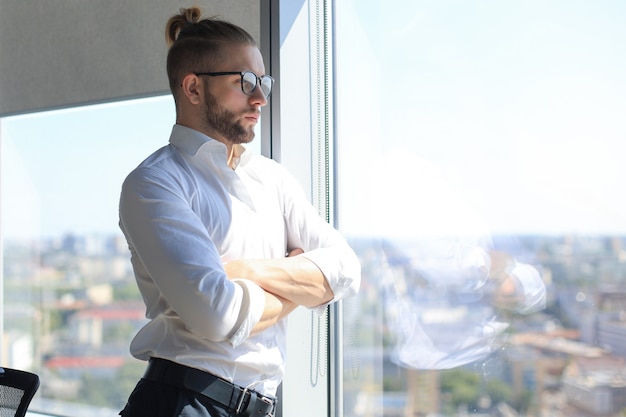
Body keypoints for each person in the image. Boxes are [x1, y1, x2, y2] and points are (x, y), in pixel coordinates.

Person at [117, 7, 361, 417]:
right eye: (245, 81)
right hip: (182, 404)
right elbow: (217, 315)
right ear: (193, 88)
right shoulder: (155, 183)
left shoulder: (272, 179)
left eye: (264, 81)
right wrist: (297, 289)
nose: (261, 97)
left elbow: (346, 269)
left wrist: (245, 272)